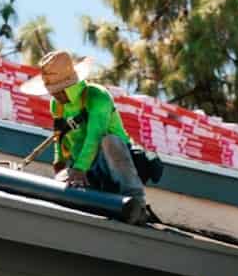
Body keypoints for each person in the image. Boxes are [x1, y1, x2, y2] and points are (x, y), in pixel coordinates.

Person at [20, 49, 158, 223]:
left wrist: (79, 169)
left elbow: (95, 136)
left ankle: (137, 203)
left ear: (69, 85)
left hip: (113, 165)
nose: (53, 94)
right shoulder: (57, 105)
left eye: (57, 90)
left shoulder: (97, 97)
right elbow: (59, 135)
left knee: (109, 141)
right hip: (84, 168)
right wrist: (60, 161)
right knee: (59, 185)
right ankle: (94, 198)